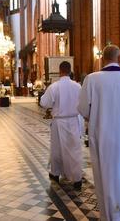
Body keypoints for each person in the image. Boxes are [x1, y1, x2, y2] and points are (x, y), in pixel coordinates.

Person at [78, 45, 120, 221]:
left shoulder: (92, 79)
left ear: (102, 58)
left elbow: (82, 109)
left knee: (103, 173)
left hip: (102, 134)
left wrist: (98, 115)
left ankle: (107, 215)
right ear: (119, 58)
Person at [40, 61, 83, 190]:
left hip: (59, 122)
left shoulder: (54, 86)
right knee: (74, 149)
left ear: (60, 71)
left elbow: (44, 103)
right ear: (70, 71)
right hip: (74, 121)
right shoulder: (78, 86)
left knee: (57, 149)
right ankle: (77, 179)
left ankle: (55, 173)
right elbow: (83, 103)